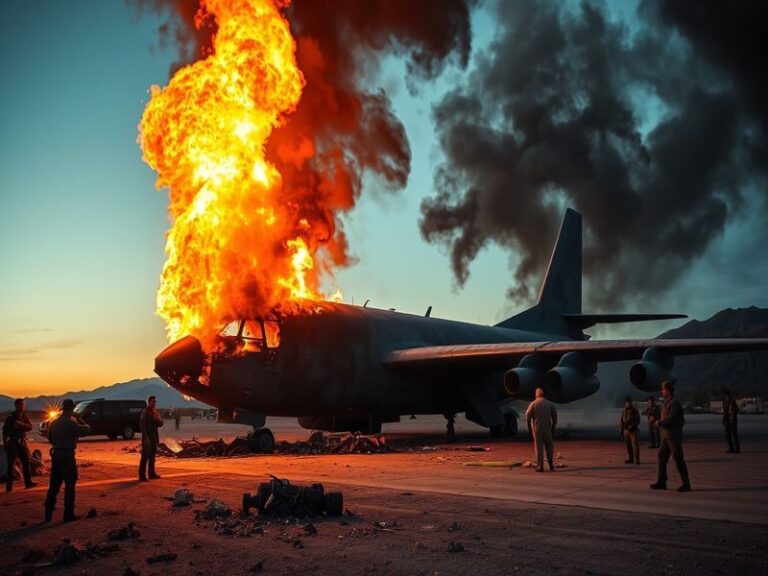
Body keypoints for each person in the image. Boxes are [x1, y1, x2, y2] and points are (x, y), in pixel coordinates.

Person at [44, 399, 90, 522]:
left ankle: (48, 513)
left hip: (56, 454)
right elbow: (86, 430)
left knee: (54, 485)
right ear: (71, 409)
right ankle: (68, 513)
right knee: (70, 484)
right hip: (67, 455)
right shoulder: (71, 423)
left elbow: (50, 439)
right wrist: (80, 419)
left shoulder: (54, 423)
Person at [650, 381, 691, 492]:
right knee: (662, 457)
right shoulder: (666, 403)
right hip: (665, 436)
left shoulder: (674, 403)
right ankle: (662, 481)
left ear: (668, 391)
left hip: (673, 436)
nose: (662, 392)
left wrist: (659, 423)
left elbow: (671, 418)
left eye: (663, 390)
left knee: (678, 458)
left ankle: (686, 483)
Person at [3, 398, 36, 492]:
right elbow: (5, 431)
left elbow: (30, 427)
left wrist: (21, 425)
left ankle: (28, 482)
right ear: (17, 405)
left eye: (23, 405)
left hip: (21, 442)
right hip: (12, 443)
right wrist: (6, 444)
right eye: (22, 405)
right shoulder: (10, 417)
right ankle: (9, 487)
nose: (23, 406)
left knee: (26, 462)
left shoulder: (24, 416)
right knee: (11, 465)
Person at [525, 388, 558, 472]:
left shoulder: (533, 404)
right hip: (547, 428)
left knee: (539, 448)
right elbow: (554, 418)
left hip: (537, 429)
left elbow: (528, 417)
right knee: (549, 446)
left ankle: (540, 466)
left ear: (536, 394)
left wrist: (529, 429)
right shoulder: (550, 404)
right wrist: (553, 428)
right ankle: (551, 464)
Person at [139, 395, 164, 481]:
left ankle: (152, 474)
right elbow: (143, 426)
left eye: (155, 402)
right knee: (145, 457)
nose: (154, 403)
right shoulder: (145, 412)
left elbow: (161, 424)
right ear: (149, 402)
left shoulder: (155, 412)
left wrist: (157, 418)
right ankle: (142, 476)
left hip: (154, 437)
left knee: (152, 457)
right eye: (153, 401)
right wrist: (145, 438)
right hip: (147, 437)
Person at [619, 395, 640, 464]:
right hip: (626, 430)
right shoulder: (624, 410)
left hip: (632, 430)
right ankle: (631, 458)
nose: (628, 404)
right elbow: (621, 421)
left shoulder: (634, 410)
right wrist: (621, 431)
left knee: (635, 445)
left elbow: (637, 421)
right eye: (627, 402)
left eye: (629, 402)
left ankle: (637, 459)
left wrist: (632, 425)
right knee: (628, 445)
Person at [722, 389, 740, 454]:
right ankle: (731, 448)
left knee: (734, 435)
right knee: (728, 435)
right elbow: (724, 411)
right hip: (727, 421)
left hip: (732, 421)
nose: (726, 397)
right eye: (725, 396)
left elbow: (737, 410)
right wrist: (724, 419)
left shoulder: (732, 402)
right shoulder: (724, 402)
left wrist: (733, 416)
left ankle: (737, 449)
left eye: (727, 396)